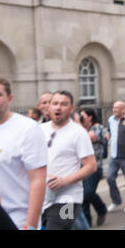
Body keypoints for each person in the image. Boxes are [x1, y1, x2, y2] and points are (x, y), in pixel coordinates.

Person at [0, 74, 47, 230]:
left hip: (16, 220)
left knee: (67, 219)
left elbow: (38, 180)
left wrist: (30, 225)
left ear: (10, 98)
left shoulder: (27, 129)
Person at [40, 90, 97, 230]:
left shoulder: (78, 133)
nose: (58, 107)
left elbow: (91, 166)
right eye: (55, 103)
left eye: (63, 104)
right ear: (49, 107)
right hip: (43, 198)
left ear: (71, 108)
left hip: (69, 199)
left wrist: (64, 181)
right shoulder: (39, 129)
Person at [79, 108, 108, 227]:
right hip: (80, 168)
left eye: (83, 116)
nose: (81, 118)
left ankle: (101, 209)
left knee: (88, 193)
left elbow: (90, 137)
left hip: (95, 167)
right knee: (83, 196)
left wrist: (78, 124)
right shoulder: (80, 130)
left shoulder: (98, 128)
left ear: (90, 117)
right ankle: (87, 222)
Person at [106, 100, 125, 212]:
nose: (114, 110)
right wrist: (107, 137)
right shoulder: (110, 120)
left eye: (116, 108)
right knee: (109, 178)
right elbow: (109, 131)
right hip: (114, 155)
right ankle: (116, 201)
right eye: (113, 107)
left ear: (123, 109)